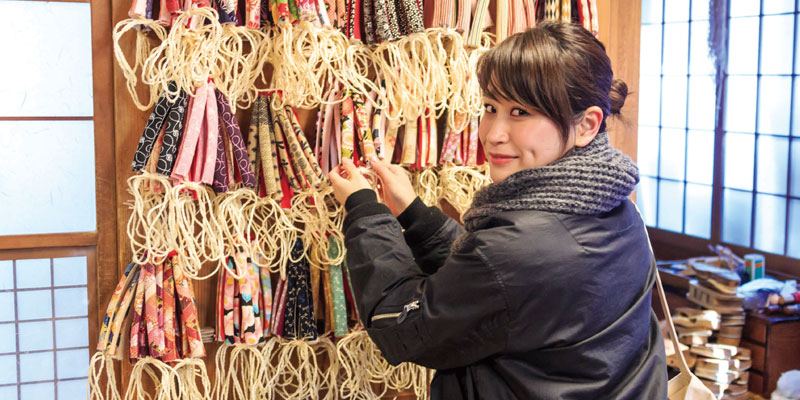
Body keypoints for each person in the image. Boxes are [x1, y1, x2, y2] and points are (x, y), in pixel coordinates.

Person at [329, 21, 667, 399]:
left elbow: (403, 328)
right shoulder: (615, 207)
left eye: (520, 112)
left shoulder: (522, 246)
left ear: (587, 125)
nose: (493, 133)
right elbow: (503, 287)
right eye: (490, 107)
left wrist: (365, 212)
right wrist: (414, 215)